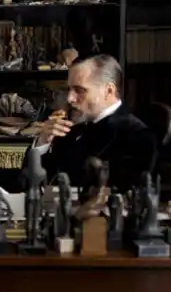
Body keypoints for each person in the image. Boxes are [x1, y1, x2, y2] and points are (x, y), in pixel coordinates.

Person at [33, 54, 156, 190]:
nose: (70, 98)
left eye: (79, 90)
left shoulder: (138, 136)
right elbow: (28, 185)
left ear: (108, 91)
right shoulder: (71, 131)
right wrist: (42, 143)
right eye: (69, 89)